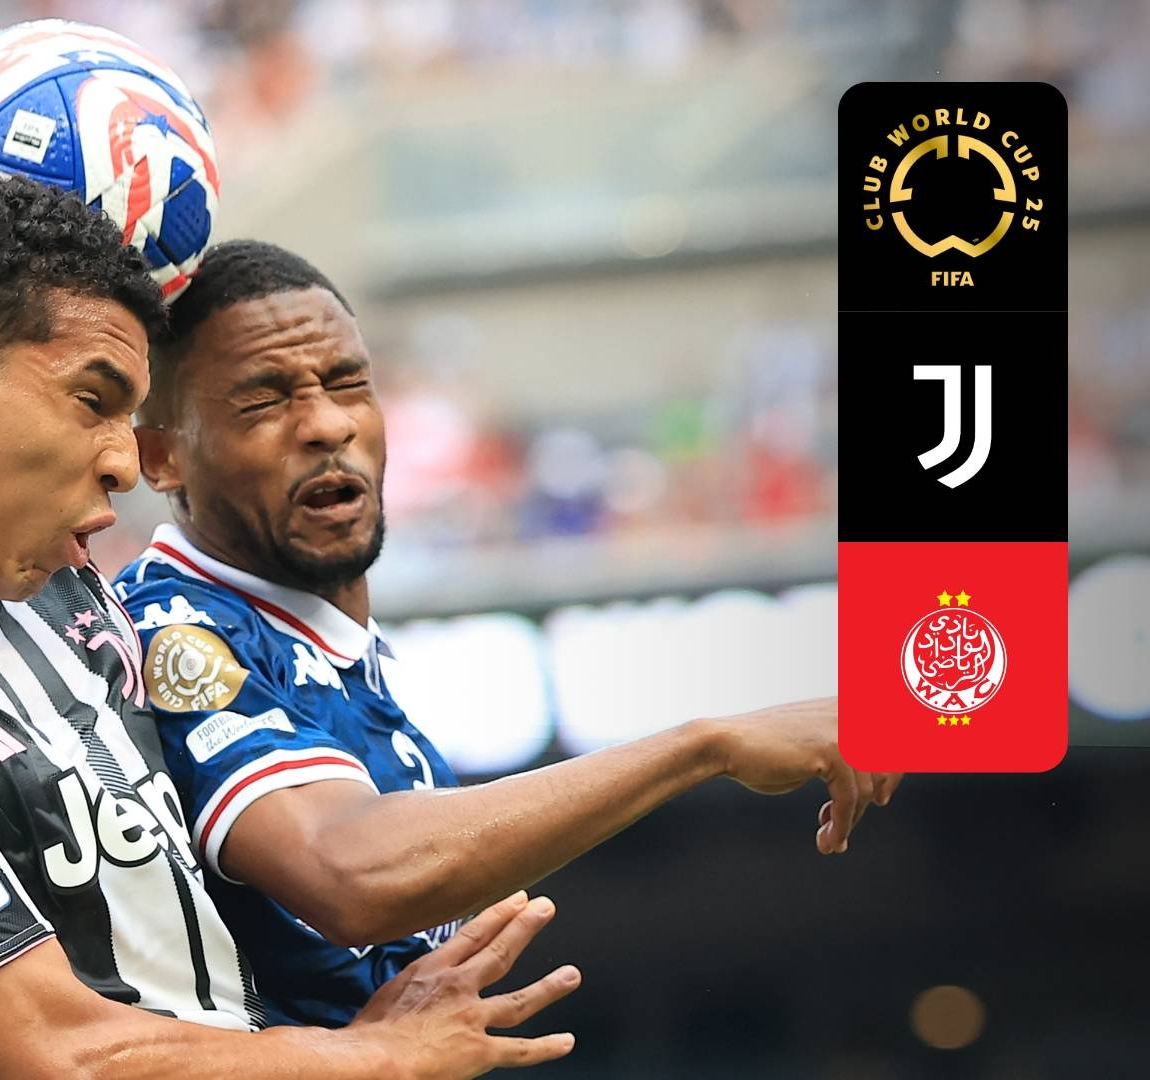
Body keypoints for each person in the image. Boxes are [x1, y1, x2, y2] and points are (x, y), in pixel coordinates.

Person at [0, 169, 580, 1078]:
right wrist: (371, 1057)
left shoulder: (69, 598)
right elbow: (62, 1054)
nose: (126, 463)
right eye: (92, 402)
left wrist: (336, 1034)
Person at [114, 239, 906, 1028]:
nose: (326, 423)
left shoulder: (319, 643)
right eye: (262, 402)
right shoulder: (172, 632)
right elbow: (347, 873)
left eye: (349, 383)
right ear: (162, 457)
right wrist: (704, 747)